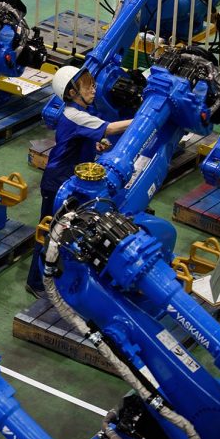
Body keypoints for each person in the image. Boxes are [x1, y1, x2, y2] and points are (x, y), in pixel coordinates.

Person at [26, 66, 133, 298]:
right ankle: (35, 282)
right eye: (88, 86)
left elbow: (81, 138)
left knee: (64, 232)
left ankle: (56, 274)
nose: (94, 89)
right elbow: (111, 128)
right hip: (58, 183)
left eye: (93, 84)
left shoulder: (81, 113)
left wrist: (95, 145)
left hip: (69, 180)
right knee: (49, 233)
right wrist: (141, 120)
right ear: (72, 92)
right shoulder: (76, 115)